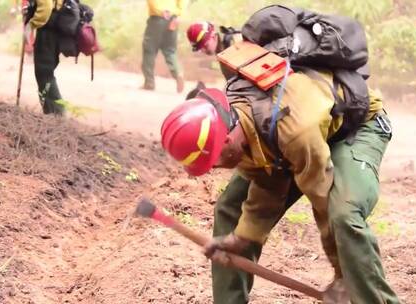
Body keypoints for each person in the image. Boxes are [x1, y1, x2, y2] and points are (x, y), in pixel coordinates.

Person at [160, 65, 400, 302]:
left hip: (355, 128)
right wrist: (241, 238)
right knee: (232, 206)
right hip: (290, 144)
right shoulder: (237, 125)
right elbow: (268, 184)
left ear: (226, 140)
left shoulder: (296, 132)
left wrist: (342, 277)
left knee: (343, 214)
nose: (213, 168)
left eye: (212, 161)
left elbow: (321, 197)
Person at [27, 0, 65, 115]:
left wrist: (31, 24)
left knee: (44, 72)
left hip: (47, 30)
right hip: (56, 28)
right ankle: (53, 111)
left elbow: (46, 7)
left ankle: (56, 113)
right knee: (46, 72)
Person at [141, 0, 186, 93]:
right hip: (173, 18)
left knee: (149, 50)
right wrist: (178, 14)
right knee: (170, 51)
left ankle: (149, 82)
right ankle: (178, 74)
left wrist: (161, 11)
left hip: (158, 19)